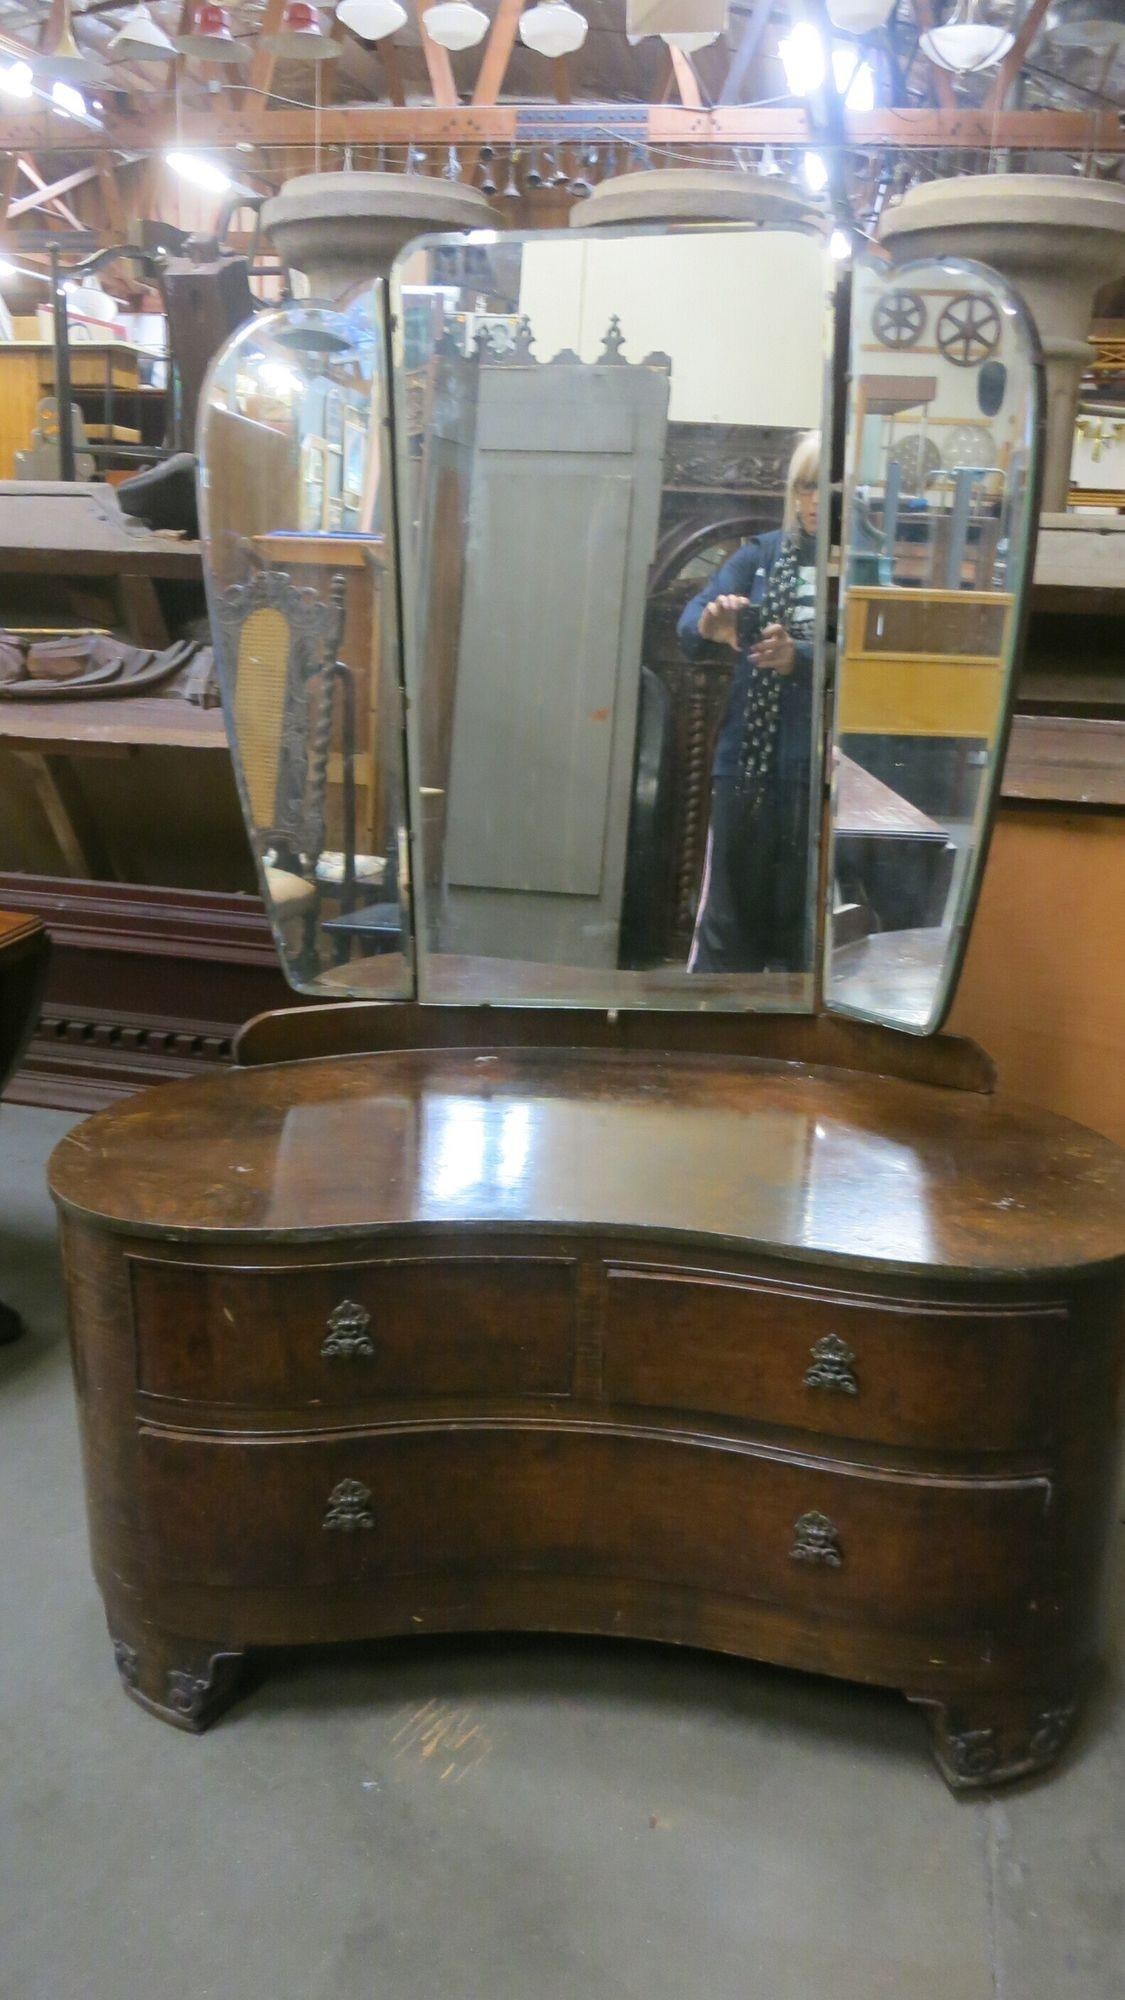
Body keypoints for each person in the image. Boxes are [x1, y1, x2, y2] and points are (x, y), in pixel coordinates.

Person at [677, 432, 820, 974]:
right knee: (727, 928)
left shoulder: (864, 565)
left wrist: (799, 658)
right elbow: (689, 624)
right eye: (805, 487)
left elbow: (873, 660)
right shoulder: (761, 555)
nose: (813, 501)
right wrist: (712, 624)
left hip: (821, 776)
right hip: (747, 769)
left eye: (827, 488)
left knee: (806, 933)